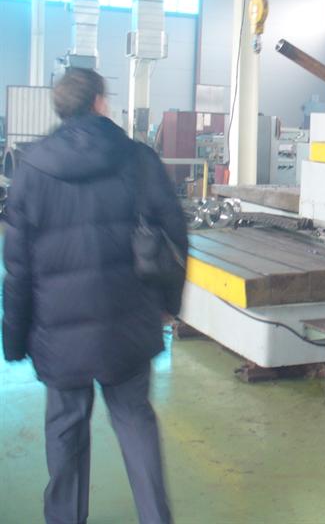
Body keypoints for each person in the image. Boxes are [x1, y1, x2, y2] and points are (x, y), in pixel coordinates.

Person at [2, 68, 188, 524]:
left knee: (65, 429)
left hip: (57, 330)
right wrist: (169, 304)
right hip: (128, 322)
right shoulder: (139, 159)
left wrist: (14, 336)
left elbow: (17, 265)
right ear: (99, 102)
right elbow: (175, 237)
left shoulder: (32, 167)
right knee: (135, 421)